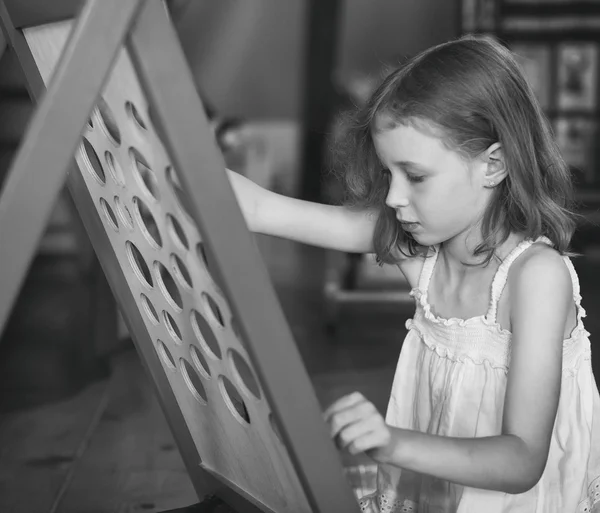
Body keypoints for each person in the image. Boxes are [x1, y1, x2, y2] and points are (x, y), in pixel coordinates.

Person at [227, 34, 600, 512]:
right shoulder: (422, 251)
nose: (393, 197)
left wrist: (391, 443)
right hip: (441, 495)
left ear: (494, 164)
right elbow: (262, 209)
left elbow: (522, 460)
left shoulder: (537, 278)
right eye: (389, 175)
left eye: (415, 176)